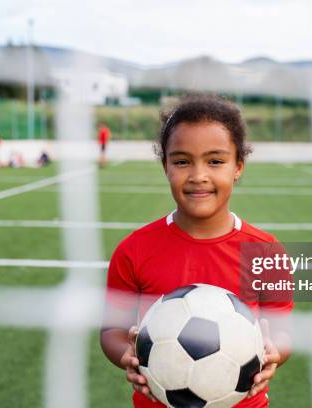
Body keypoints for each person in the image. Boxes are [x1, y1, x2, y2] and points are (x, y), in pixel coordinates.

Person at [100, 95, 292, 408]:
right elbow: (112, 331)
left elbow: (283, 331)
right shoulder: (133, 251)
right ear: (165, 166)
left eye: (215, 161)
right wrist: (126, 354)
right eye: (181, 161)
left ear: (238, 166)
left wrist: (274, 351)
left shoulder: (266, 252)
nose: (198, 175)